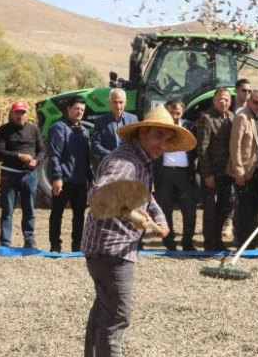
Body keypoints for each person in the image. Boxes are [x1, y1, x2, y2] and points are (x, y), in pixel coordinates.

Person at [81, 105, 195, 356]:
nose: (162, 145)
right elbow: (98, 195)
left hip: (104, 247)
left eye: (167, 140)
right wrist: (131, 214)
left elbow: (146, 196)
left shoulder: (142, 160)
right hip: (111, 249)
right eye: (157, 136)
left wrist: (160, 219)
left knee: (104, 311)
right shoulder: (126, 162)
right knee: (116, 318)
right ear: (141, 133)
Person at [0, 101, 45, 249]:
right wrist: (18, 155)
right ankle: (5, 243)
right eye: (17, 112)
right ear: (12, 113)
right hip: (9, 175)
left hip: (29, 175)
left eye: (23, 112)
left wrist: (36, 161)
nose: (20, 115)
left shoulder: (34, 130)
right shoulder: (3, 130)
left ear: (27, 114)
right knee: (7, 210)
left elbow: (42, 150)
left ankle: (29, 239)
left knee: (29, 209)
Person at [48, 97, 95, 252]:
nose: (79, 112)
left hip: (80, 181)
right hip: (64, 180)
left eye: (82, 110)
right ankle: (55, 246)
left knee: (79, 215)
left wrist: (91, 178)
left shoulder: (84, 132)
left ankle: (77, 245)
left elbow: (87, 158)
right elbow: (55, 155)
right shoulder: (59, 128)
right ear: (68, 109)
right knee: (57, 213)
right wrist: (57, 177)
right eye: (76, 109)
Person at [227, 88, 258, 249]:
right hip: (245, 171)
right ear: (249, 101)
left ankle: (253, 237)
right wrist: (238, 170)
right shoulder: (242, 117)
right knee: (244, 208)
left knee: (256, 207)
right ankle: (243, 242)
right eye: (256, 102)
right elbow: (235, 145)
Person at [153, 99, 197, 251]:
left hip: (185, 173)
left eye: (178, 113)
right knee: (165, 210)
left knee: (189, 209)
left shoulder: (190, 127)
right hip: (165, 173)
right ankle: (169, 244)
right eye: (172, 112)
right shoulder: (158, 128)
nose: (175, 116)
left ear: (182, 112)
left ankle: (187, 243)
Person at [195, 88, 234, 251]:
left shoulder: (232, 117)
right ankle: (209, 243)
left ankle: (218, 241)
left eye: (226, 99)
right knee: (210, 210)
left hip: (227, 173)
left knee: (224, 208)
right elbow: (202, 148)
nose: (223, 102)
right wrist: (207, 174)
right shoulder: (206, 118)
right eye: (220, 99)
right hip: (211, 172)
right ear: (214, 101)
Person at [92, 88, 138, 162]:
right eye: (115, 102)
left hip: (129, 163)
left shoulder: (133, 119)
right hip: (109, 163)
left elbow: (138, 143)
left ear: (125, 103)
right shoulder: (100, 121)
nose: (118, 106)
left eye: (121, 102)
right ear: (109, 102)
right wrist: (111, 155)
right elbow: (96, 145)